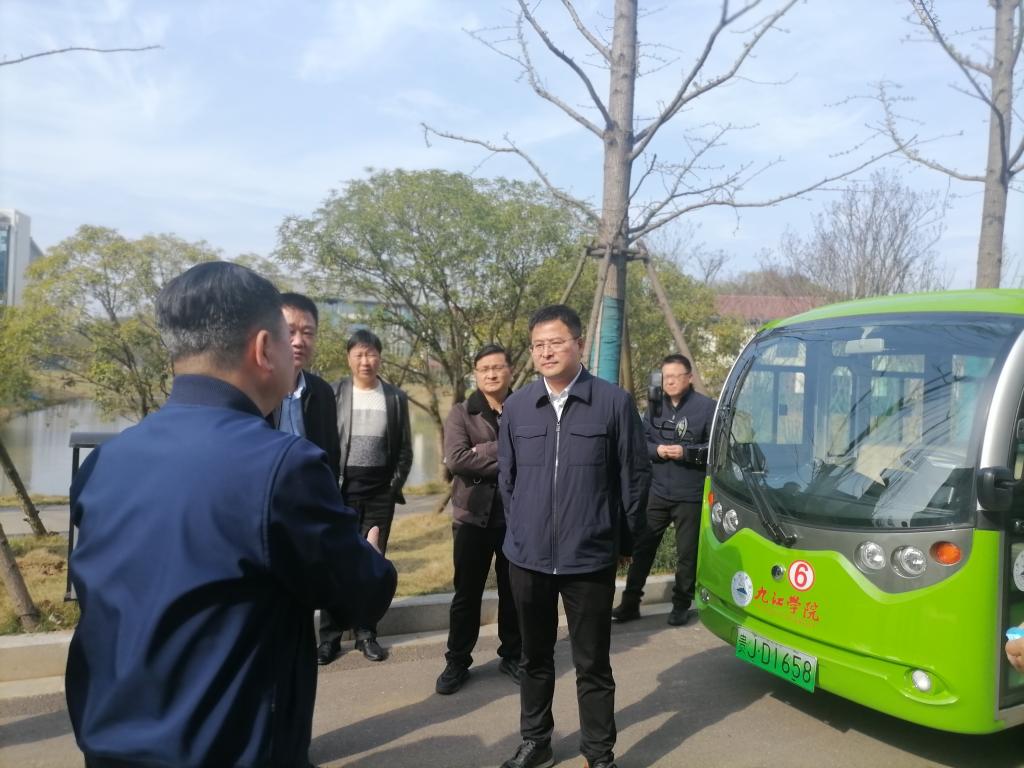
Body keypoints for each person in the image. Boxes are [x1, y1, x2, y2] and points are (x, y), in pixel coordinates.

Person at [64, 261, 397, 768]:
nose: (296, 348)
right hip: (229, 748)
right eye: (287, 336)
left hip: (109, 744)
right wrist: (370, 560)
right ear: (264, 348)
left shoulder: (105, 461)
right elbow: (360, 596)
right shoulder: (283, 466)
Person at [497, 305, 650, 768]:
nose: (546, 352)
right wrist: (522, 531)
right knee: (534, 657)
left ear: (579, 344)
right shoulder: (518, 406)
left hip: (589, 557)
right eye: (538, 345)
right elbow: (508, 480)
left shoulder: (613, 403)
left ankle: (598, 753)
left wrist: (622, 543)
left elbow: (634, 478)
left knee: (592, 663)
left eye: (556, 342)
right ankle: (536, 741)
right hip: (528, 559)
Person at [318, 328, 413, 665]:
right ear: (349, 358)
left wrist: (392, 487)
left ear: (380, 357)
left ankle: (366, 633)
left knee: (372, 564)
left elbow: (405, 450)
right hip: (341, 491)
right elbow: (324, 443)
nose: (365, 360)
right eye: (359, 354)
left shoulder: (395, 397)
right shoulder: (333, 393)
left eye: (371, 353)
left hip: (379, 493)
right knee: (334, 562)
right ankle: (329, 638)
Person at [435, 343, 521, 695]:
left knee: (513, 591)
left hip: (514, 517)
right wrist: (508, 457)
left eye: (497, 367)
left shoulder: (524, 407)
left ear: (510, 370)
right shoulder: (462, 412)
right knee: (466, 594)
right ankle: (457, 661)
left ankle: (512, 654)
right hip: (472, 518)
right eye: (484, 369)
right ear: (476, 374)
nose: (491, 374)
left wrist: (481, 451)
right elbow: (456, 459)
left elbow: (536, 451)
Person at [612, 353, 716, 626]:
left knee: (687, 555)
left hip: (690, 494)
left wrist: (686, 452)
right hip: (657, 491)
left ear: (689, 378)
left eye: (675, 376)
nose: (669, 382)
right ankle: (630, 603)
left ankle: (681, 604)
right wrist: (657, 450)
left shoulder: (707, 408)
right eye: (665, 377)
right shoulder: (655, 407)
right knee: (642, 549)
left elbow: (715, 449)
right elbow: (640, 443)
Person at [268, 292, 341, 481]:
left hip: (310, 494)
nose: (299, 342)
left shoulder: (322, 392)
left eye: (307, 333)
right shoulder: (252, 390)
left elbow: (331, 455)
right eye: (290, 331)